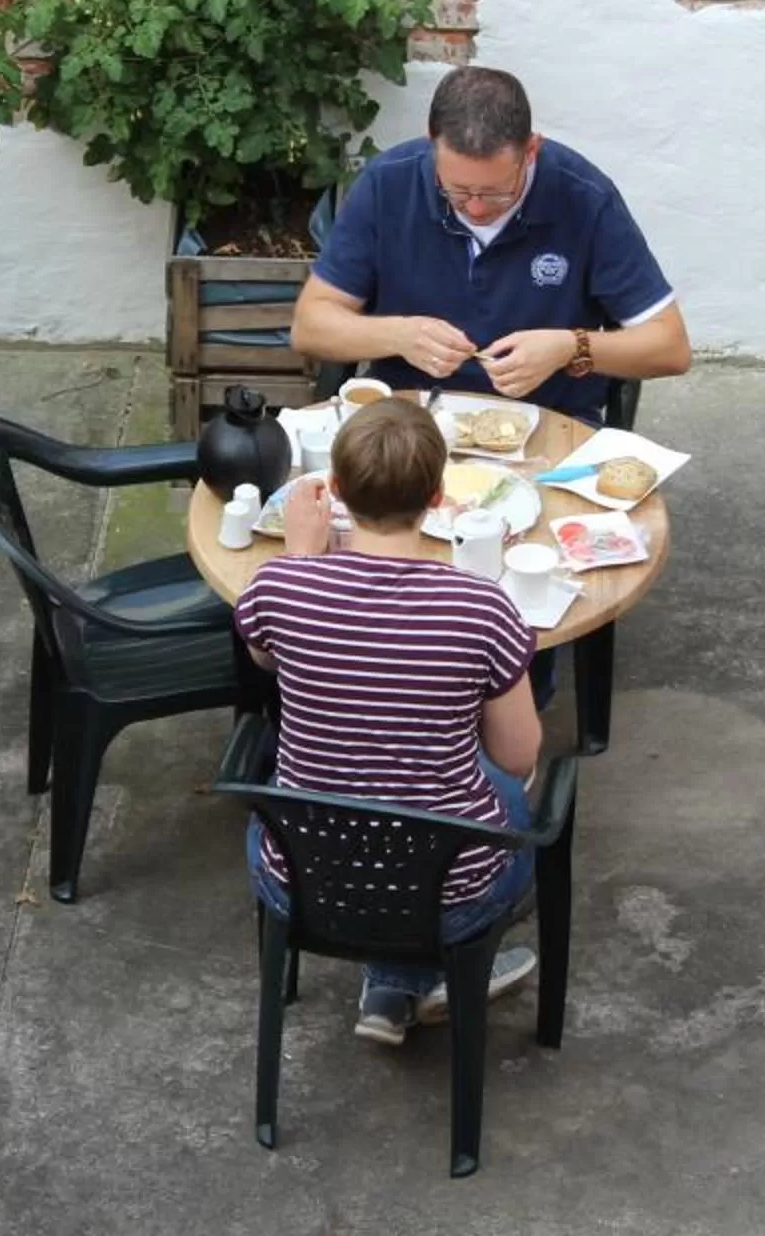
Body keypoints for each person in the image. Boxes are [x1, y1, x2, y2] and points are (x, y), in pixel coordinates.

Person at [235, 399, 545, 1044]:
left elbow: (263, 654)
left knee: (385, 799)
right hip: (449, 893)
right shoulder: (482, 608)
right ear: (436, 498)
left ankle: (392, 986)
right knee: (511, 799)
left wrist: (300, 559)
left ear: (336, 490)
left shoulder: (279, 586)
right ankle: (421, 976)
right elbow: (517, 756)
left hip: (299, 877)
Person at [291, 65, 690, 424]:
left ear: (531, 150)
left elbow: (671, 348)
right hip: (409, 423)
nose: (477, 208)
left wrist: (571, 347)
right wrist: (398, 336)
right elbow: (310, 327)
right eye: (457, 190)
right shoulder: (387, 184)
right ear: (432, 144)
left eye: (497, 192)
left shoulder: (584, 197)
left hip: (550, 420)